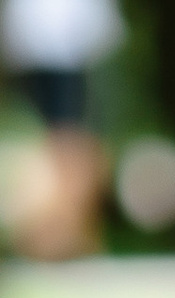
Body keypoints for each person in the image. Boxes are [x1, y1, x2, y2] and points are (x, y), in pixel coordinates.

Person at [3, 0, 120, 261]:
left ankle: (64, 231)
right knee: (64, 140)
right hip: (54, 40)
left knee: (64, 139)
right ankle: (57, 232)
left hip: (54, 39)